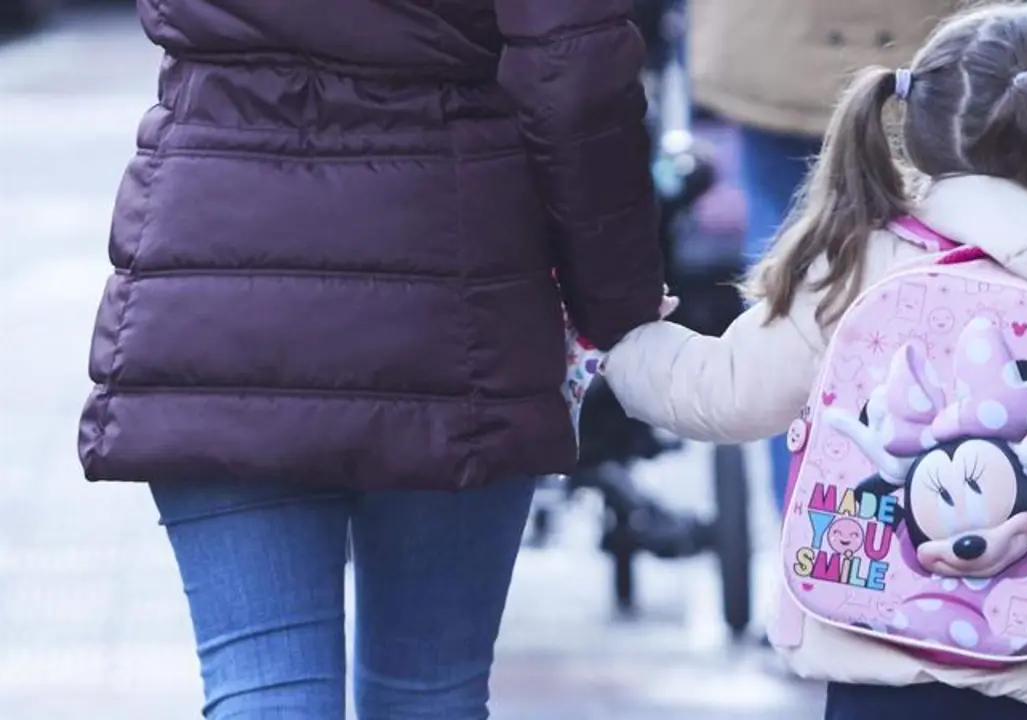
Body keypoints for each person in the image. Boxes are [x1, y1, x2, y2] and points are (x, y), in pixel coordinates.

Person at [604, 3, 1027, 719]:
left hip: (871, 655)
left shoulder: (859, 260)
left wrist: (620, 341)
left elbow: (722, 391)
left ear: (915, 125)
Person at [77, 1, 665, 718]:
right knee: (430, 692)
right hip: (453, 288)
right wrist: (619, 305)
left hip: (216, 267)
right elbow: (574, 72)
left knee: (264, 690)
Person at [686, 0, 957, 513]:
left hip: (771, 39)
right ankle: (934, 508)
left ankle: (802, 517)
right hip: (929, 36)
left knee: (784, 274)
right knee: (937, 277)